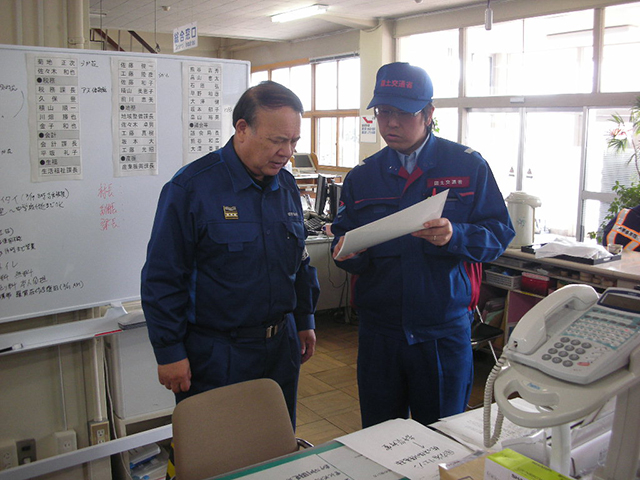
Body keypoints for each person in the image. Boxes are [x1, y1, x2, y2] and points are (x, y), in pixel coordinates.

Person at [331, 62, 515, 428]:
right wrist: (347, 254)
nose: (390, 123)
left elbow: (498, 234)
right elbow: (342, 238)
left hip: (441, 331)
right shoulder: (363, 177)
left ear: (429, 114)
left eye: (403, 113)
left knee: (442, 434)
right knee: (380, 435)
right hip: (380, 333)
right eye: (383, 112)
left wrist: (455, 235)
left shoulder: (467, 166)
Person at [141, 81, 320, 428]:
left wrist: (305, 319)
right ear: (242, 129)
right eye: (277, 140)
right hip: (218, 354)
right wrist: (169, 352)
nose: (286, 152)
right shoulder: (191, 189)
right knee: (219, 454)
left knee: (275, 449)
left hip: (280, 348)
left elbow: (297, 261)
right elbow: (163, 277)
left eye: (294, 141)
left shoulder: (285, 185)